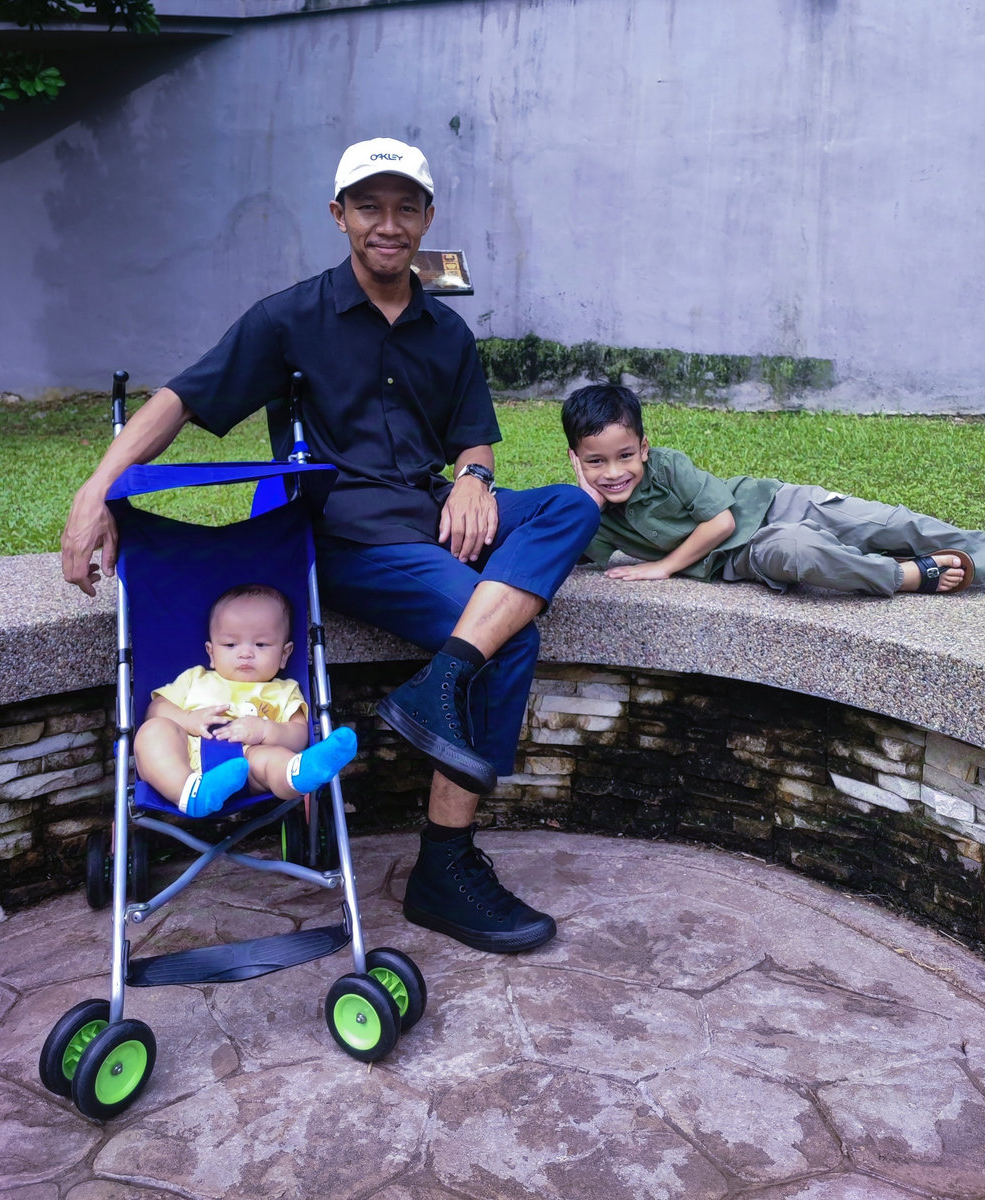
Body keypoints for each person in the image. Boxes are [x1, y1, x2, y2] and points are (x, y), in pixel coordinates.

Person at [62, 138, 601, 954]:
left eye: (405, 207)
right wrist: (94, 491)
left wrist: (474, 479)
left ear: (427, 219)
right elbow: (180, 399)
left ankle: (441, 680)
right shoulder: (289, 319)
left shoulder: (446, 332)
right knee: (510, 636)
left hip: (431, 513)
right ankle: (444, 865)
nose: (388, 224)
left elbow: (474, 438)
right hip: (348, 535)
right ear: (339, 214)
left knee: (569, 504)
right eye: (368, 206)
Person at [562, 384, 985, 602]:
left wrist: (662, 567)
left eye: (625, 455)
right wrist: (585, 504)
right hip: (746, 555)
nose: (614, 472)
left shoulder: (668, 465)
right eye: (596, 462)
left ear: (644, 447)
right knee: (799, 552)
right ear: (575, 461)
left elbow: (721, 521)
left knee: (882, 522)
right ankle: (908, 576)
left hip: (768, 503)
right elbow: (561, 555)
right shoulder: (591, 512)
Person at [135, 583, 357, 817]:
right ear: (211, 653)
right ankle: (189, 793)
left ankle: (300, 773)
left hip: (249, 764)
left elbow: (299, 735)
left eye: (261, 644)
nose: (245, 653)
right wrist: (187, 719)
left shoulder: (284, 690)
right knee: (153, 731)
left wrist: (265, 731)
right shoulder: (195, 679)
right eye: (230, 645)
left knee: (273, 759)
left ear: (284, 654)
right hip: (187, 758)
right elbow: (156, 709)